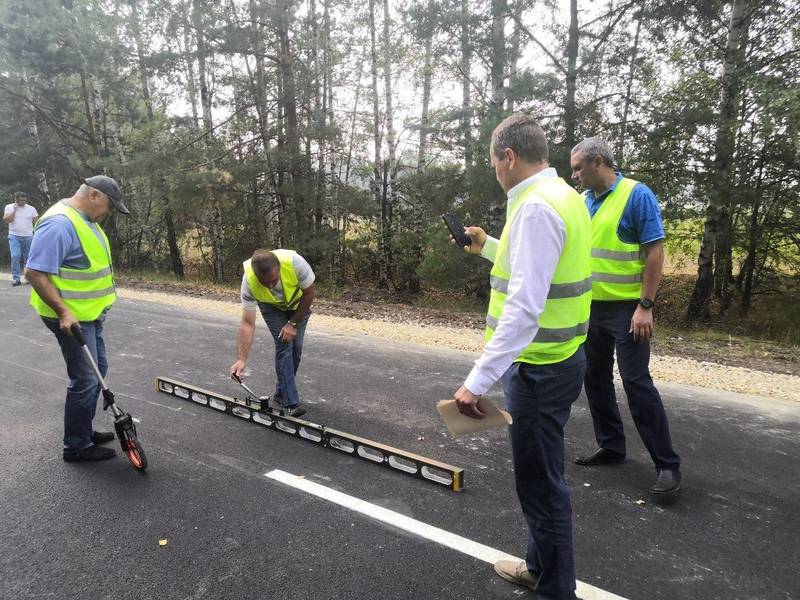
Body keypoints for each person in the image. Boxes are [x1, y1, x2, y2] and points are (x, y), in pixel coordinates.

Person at [453, 114, 592, 600]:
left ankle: (555, 589)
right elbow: (540, 273)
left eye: (493, 160)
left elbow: (525, 307)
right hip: (559, 359)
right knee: (540, 475)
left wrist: (478, 379)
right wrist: (489, 246)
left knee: (541, 484)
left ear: (508, 156)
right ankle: (539, 567)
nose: (494, 169)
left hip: (537, 366)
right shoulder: (563, 197)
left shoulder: (534, 208)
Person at [569, 137, 681, 496]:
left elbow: (655, 252)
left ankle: (667, 465)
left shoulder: (637, 195)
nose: (575, 175)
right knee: (595, 378)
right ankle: (612, 446)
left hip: (628, 310)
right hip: (591, 307)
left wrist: (645, 306)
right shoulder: (585, 202)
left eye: (577, 168)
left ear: (598, 162)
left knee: (635, 382)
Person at [24, 175, 130, 462]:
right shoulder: (60, 224)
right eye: (109, 206)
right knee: (85, 379)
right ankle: (76, 445)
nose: (108, 213)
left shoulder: (85, 219)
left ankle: (82, 429)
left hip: (89, 315)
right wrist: (64, 311)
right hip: (70, 317)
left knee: (99, 369)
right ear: (94, 195)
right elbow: (34, 273)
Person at [229, 249, 316, 418]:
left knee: (296, 350)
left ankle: (282, 393)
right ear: (256, 275)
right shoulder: (249, 282)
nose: (270, 286)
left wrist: (292, 323)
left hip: (299, 305)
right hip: (271, 307)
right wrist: (241, 359)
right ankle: (292, 403)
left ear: (279, 269)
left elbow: (310, 293)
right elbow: (247, 323)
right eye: (264, 282)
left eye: (274, 281)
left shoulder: (296, 264)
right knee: (284, 346)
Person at [4, 191, 39, 286]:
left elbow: (36, 222)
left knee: (28, 258)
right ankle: (16, 279)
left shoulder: (31, 209)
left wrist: (36, 233)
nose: (23, 202)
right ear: (16, 199)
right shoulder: (9, 207)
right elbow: (7, 220)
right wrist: (14, 210)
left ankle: (28, 278)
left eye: (24, 200)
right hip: (14, 235)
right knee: (15, 256)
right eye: (21, 200)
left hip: (28, 236)